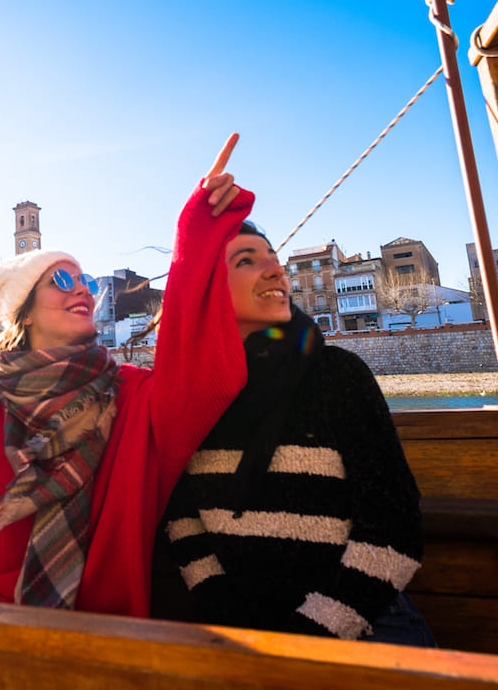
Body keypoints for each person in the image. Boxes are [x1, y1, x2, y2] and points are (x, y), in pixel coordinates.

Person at [0, 136, 252, 616]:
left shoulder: (126, 393)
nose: (82, 289)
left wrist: (196, 229)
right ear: (25, 312)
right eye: (61, 279)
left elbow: (197, 379)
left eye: (87, 281)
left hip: (83, 627)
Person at [156, 221, 434, 645]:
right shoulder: (187, 394)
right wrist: (220, 604)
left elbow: (392, 530)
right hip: (241, 627)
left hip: (364, 626)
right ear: (202, 287)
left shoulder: (336, 376)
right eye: (247, 260)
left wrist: (310, 633)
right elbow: (181, 518)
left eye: (274, 259)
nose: (276, 271)